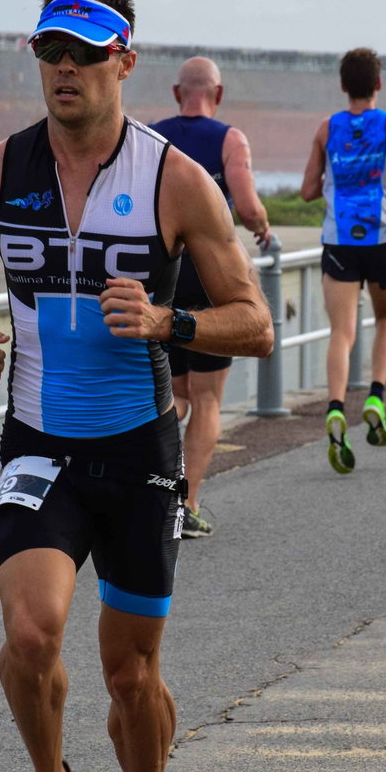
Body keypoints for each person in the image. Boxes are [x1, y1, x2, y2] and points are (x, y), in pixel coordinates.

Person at [0, 0, 272, 772]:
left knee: (129, 673)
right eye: (48, 52)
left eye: (81, 53)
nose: (62, 69)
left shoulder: (174, 181)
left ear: (124, 61)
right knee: (29, 637)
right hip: (37, 442)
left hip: (140, 451)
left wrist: (165, 320)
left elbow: (255, 324)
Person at [150, 57, 273, 538]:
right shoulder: (229, 139)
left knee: (172, 394)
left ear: (177, 91)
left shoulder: (150, 137)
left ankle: (148, 490)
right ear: (217, 95)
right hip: (210, 281)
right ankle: (187, 504)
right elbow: (245, 206)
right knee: (207, 399)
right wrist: (261, 226)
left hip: (161, 277)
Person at [299, 47, 386, 474]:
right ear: (378, 85)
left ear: (344, 86)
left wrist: (336, 178)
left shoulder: (327, 128)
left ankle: (334, 407)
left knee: (342, 332)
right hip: (383, 236)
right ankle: (376, 398)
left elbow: (308, 190)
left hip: (338, 240)